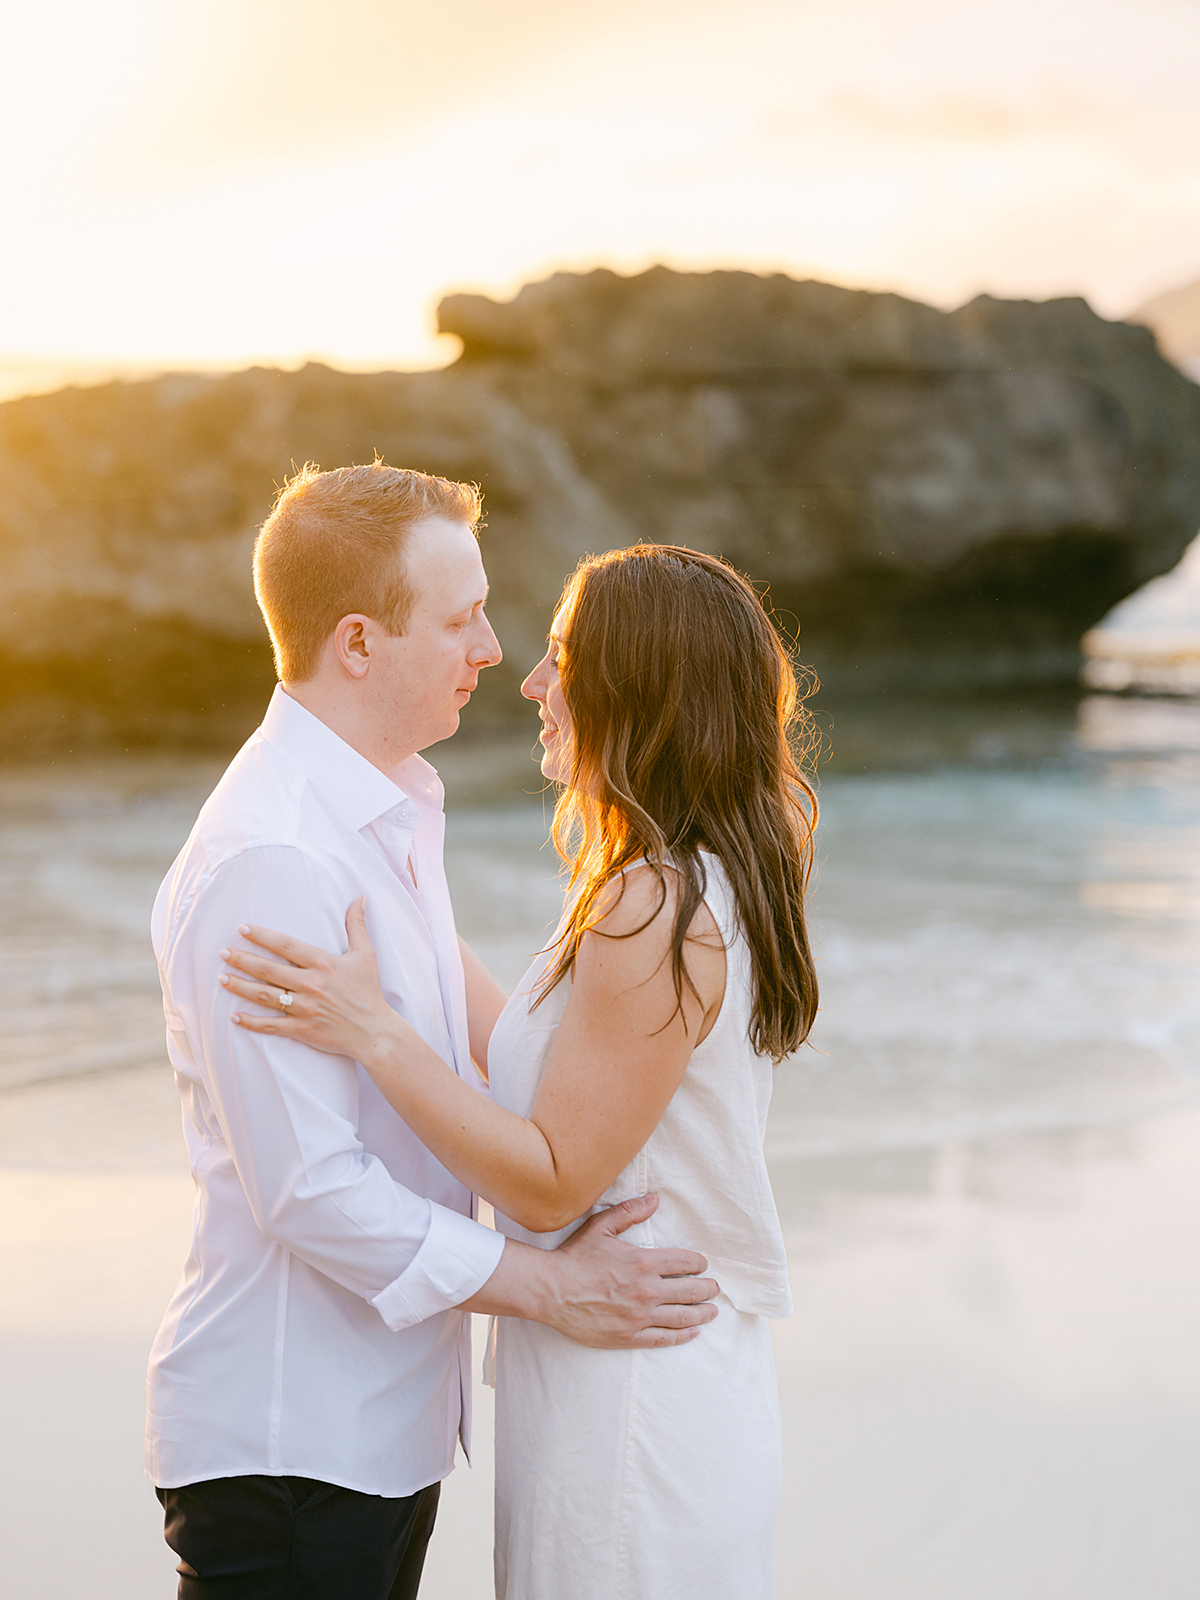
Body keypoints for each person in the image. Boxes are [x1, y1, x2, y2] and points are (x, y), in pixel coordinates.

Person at [147, 466, 720, 1600]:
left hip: (370, 1428)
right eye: (462, 620)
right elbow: (311, 1188)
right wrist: (553, 1287)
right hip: (292, 1441)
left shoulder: (384, 813)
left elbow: (495, 1058)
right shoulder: (274, 860)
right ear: (358, 643)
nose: (494, 650)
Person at [221, 541, 819, 1599]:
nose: (533, 682)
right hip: (633, 1355)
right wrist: (399, 889)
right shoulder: (684, 877)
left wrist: (376, 1034)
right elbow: (540, 1061)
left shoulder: (654, 904)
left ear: (638, 690)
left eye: (563, 659)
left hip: (632, 1390)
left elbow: (551, 1179)